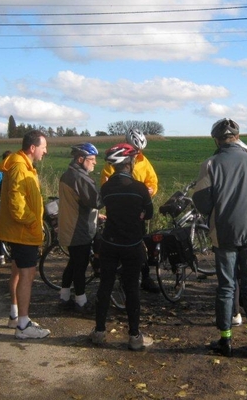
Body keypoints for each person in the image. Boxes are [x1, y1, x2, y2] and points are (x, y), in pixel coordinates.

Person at [192, 118, 247, 359]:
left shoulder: (210, 163)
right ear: (237, 138)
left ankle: (225, 340)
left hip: (224, 232)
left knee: (226, 287)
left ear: (216, 140)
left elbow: (202, 201)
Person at [90, 143, 154, 351]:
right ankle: (134, 336)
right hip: (132, 243)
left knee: (105, 286)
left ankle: (99, 332)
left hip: (110, 242)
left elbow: (100, 204)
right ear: (129, 164)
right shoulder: (139, 188)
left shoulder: (107, 187)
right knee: (132, 288)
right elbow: (150, 212)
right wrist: (140, 214)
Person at [0, 130, 50, 339]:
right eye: (44, 147)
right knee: (27, 275)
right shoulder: (20, 167)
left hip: (20, 232)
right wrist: (33, 222)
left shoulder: (23, 165)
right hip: (23, 233)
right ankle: (23, 326)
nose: (45, 152)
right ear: (32, 148)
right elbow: (17, 205)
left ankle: (16, 317)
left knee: (18, 273)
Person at [100, 128, 160, 294]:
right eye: (135, 149)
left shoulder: (143, 161)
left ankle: (145, 277)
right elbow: (106, 184)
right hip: (119, 210)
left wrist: (150, 191)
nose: (137, 153)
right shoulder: (114, 161)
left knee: (141, 243)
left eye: (140, 150)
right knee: (122, 244)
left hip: (139, 208)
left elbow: (153, 180)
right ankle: (120, 277)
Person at [57, 143, 104, 311]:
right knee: (80, 265)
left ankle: (64, 296)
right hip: (78, 228)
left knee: (73, 263)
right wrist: (108, 188)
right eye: (92, 159)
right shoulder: (80, 178)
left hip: (69, 225)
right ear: (80, 159)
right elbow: (96, 201)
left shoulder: (68, 175)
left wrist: (97, 216)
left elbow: (77, 203)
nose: (95, 163)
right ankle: (81, 302)